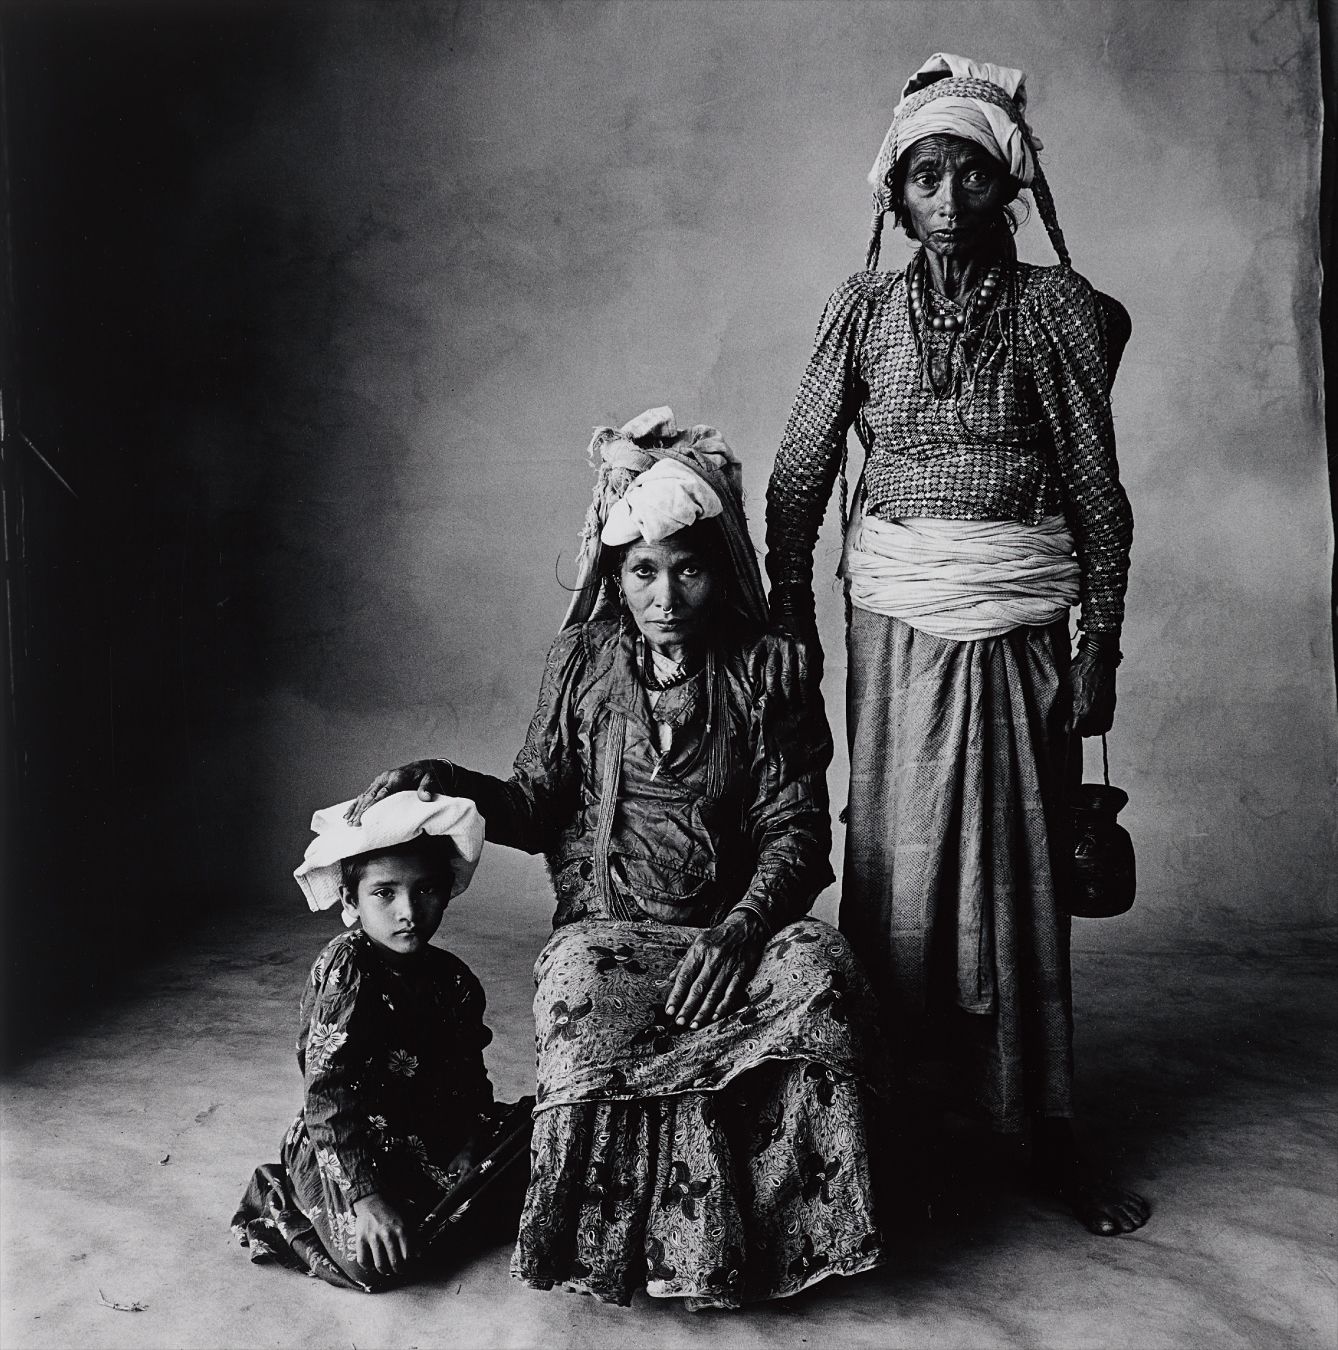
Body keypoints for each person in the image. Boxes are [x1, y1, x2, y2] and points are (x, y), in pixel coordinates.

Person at [346, 409, 888, 1308]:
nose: (666, 597)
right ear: (617, 576)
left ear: (721, 572)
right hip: (610, 935)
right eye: (643, 572)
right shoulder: (583, 663)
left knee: (824, 971)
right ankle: (616, 1248)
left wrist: (741, 935)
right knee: (577, 993)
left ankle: (784, 1243)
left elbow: (798, 832)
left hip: (732, 940)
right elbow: (532, 801)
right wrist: (444, 779)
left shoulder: (768, 674)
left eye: (688, 570)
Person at [765, 53, 1149, 1236]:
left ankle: (1042, 1126)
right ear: (894, 194)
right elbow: (798, 474)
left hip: (1019, 620)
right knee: (898, 859)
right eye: (924, 176)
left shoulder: (1059, 313)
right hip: (892, 619)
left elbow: (1097, 485)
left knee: (1022, 868)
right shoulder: (862, 310)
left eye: (970, 174)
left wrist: (1101, 648)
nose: (946, 198)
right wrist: (790, 616)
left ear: (1009, 187)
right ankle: (892, 1128)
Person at [232, 793, 533, 1292]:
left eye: (427, 890)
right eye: (384, 894)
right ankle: (284, 1191)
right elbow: (327, 1099)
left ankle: (443, 1202)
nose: (409, 911)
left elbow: (468, 1076)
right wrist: (367, 1199)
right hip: (348, 1142)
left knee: (545, 1141)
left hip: (424, 1132)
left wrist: (470, 1141)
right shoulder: (348, 972)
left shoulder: (454, 980)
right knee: (373, 1265)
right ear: (351, 900)